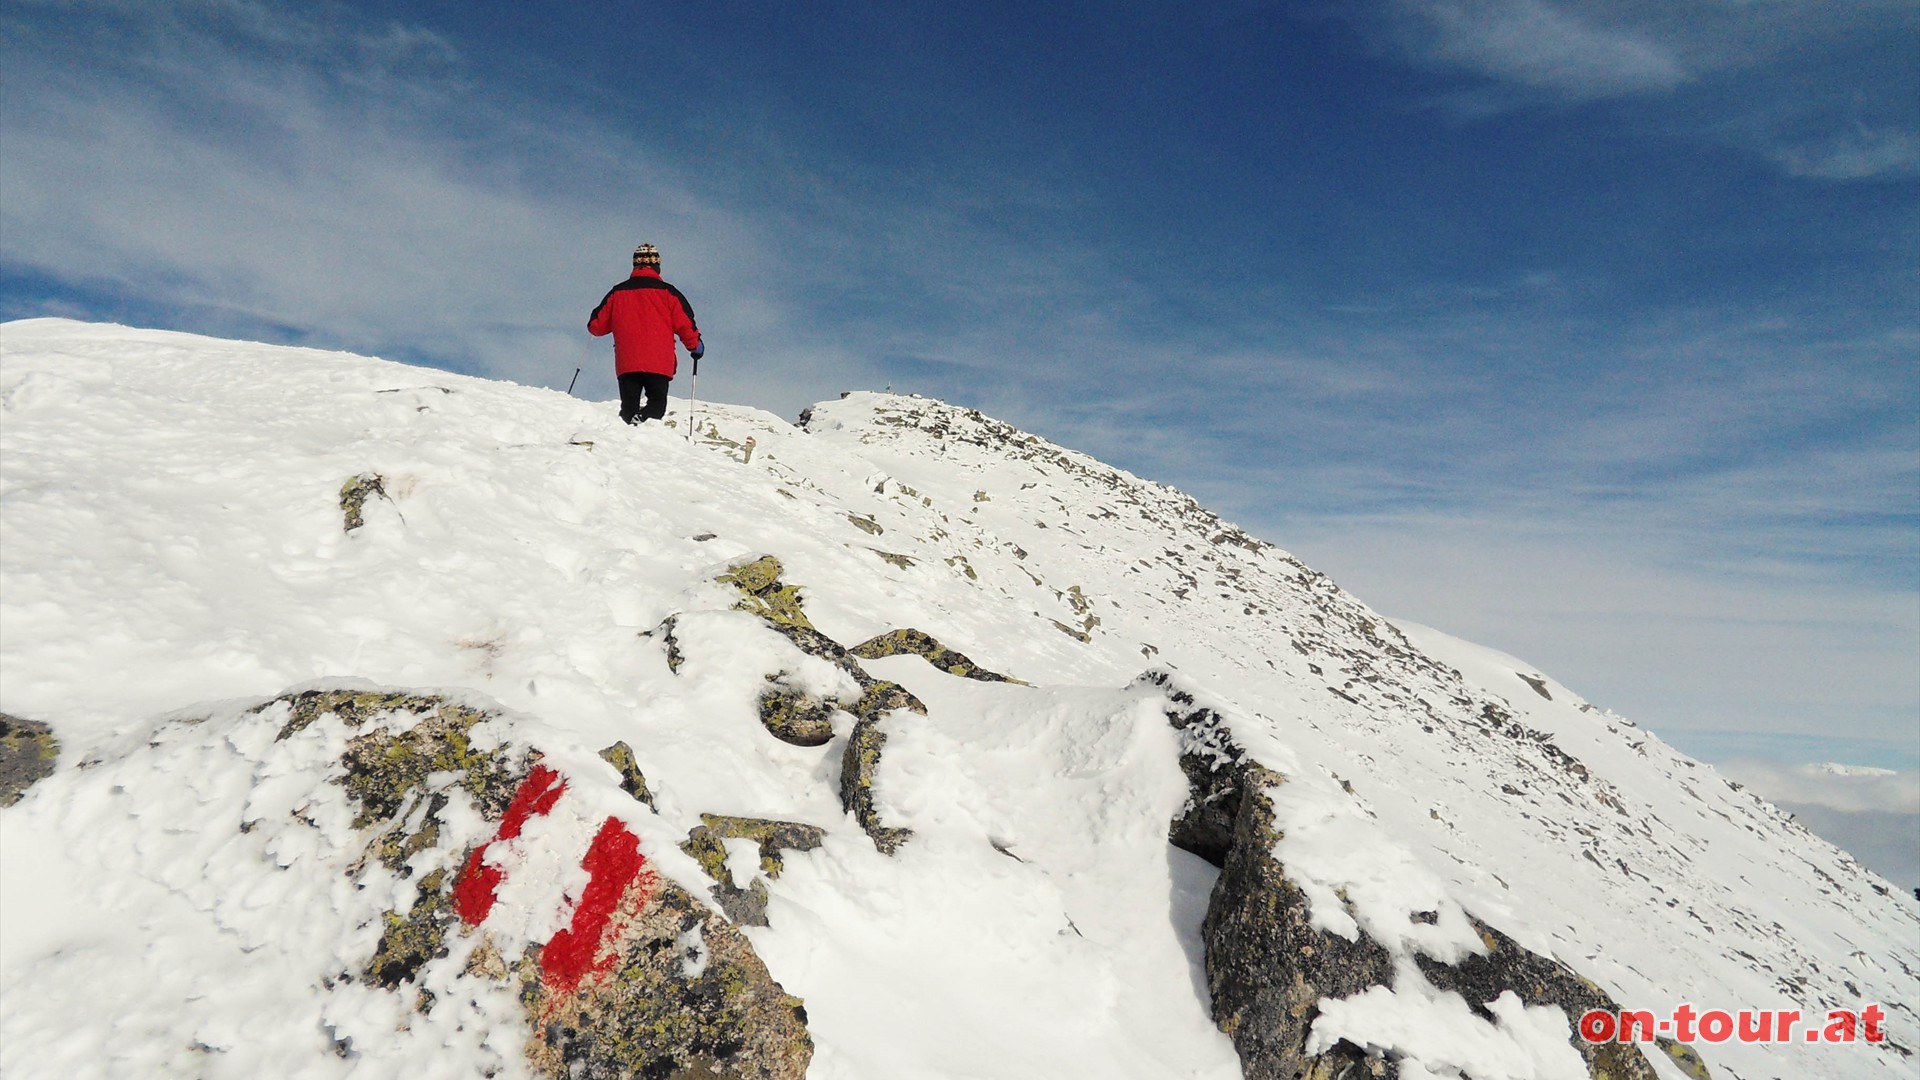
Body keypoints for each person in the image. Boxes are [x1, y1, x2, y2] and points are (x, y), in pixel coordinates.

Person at [587, 243, 703, 425]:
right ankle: (641, 426)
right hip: (659, 362)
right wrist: (696, 347)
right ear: (657, 266)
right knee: (656, 405)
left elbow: (596, 326)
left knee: (628, 407)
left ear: (634, 265)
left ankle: (627, 435)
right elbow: (686, 325)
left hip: (627, 362)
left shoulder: (618, 292)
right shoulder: (668, 293)